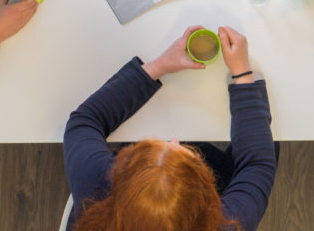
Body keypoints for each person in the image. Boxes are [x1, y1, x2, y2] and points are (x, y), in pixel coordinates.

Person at [63, 26, 277, 231]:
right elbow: (257, 166)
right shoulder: (230, 224)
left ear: (116, 176)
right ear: (207, 199)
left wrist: (159, 66)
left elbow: (84, 121)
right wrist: (242, 74)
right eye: (183, 152)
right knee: (270, 145)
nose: (174, 140)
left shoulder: (94, 190)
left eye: (152, 149)